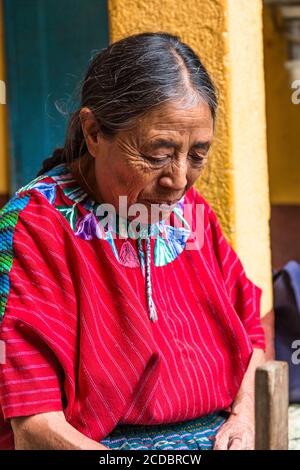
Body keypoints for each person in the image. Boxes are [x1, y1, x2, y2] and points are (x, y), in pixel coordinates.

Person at [0, 32, 265, 450]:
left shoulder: (192, 215)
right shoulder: (34, 228)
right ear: (93, 131)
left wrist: (245, 417)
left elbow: (251, 335)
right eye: (158, 154)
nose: (177, 181)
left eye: (197, 155)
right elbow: (34, 425)